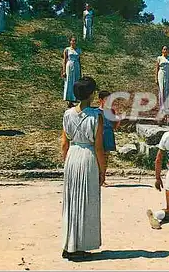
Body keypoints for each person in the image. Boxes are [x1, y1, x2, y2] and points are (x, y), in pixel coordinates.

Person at [61, 76, 105, 260]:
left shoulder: (67, 114)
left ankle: (68, 243)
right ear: (91, 94)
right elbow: (99, 147)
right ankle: (78, 247)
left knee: (71, 201)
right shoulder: (96, 116)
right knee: (86, 201)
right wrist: (102, 170)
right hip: (88, 157)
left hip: (72, 156)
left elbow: (64, 144)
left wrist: (67, 162)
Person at [62, 36, 82, 108]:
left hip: (76, 66)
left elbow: (79, 60)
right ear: (70, 41)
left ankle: (74, 99)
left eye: (75, 41)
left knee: (76, 82)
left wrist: (80, 71)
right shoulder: (67, 50)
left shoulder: (78, 50)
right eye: (72, 41)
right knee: (69, 82)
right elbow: (64, 60)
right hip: (69, 66)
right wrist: (64, 71)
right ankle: (69, 100)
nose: (74, 42)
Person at [156, 45, 169, 113]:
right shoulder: (159, 58)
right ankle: (161, 106)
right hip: (161, 74)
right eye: (164, 49)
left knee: (167, 89)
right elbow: (157, 68)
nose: (165, 51)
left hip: (168, 74)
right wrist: (156, 78)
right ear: (162, 50)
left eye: (166, 49)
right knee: (162, 89)